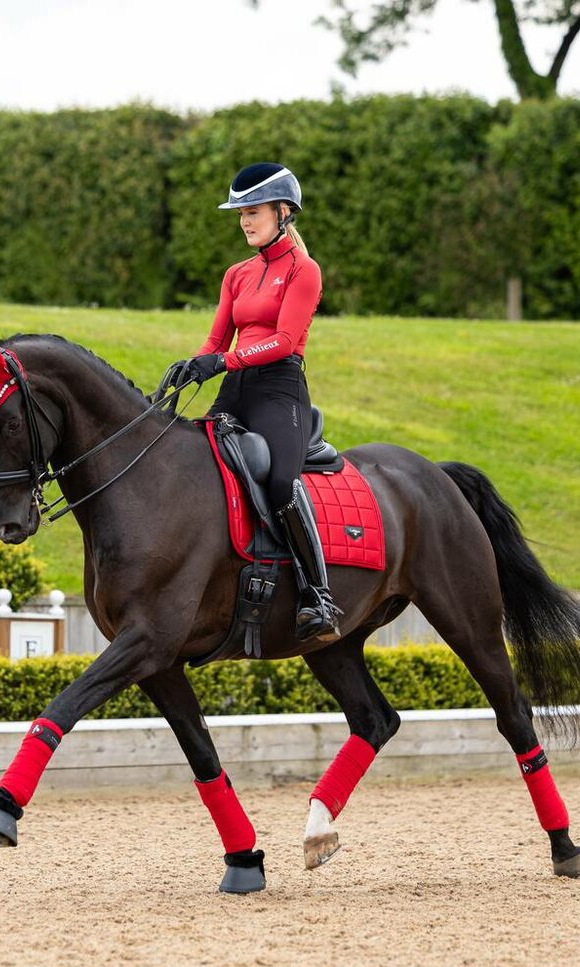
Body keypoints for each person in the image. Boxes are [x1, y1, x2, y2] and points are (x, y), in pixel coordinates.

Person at [176, 161, 341, 642]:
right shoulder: (236, 274)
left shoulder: (303, 271)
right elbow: (215, 339)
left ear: (283, 212)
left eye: (254, 210)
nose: (245, 220)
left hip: (279, 391)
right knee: (194, 461)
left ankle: (317, 595)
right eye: (240, 212)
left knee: (283, 481)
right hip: (235, 389)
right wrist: (192, 366)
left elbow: (287, 340)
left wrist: (224, 361)